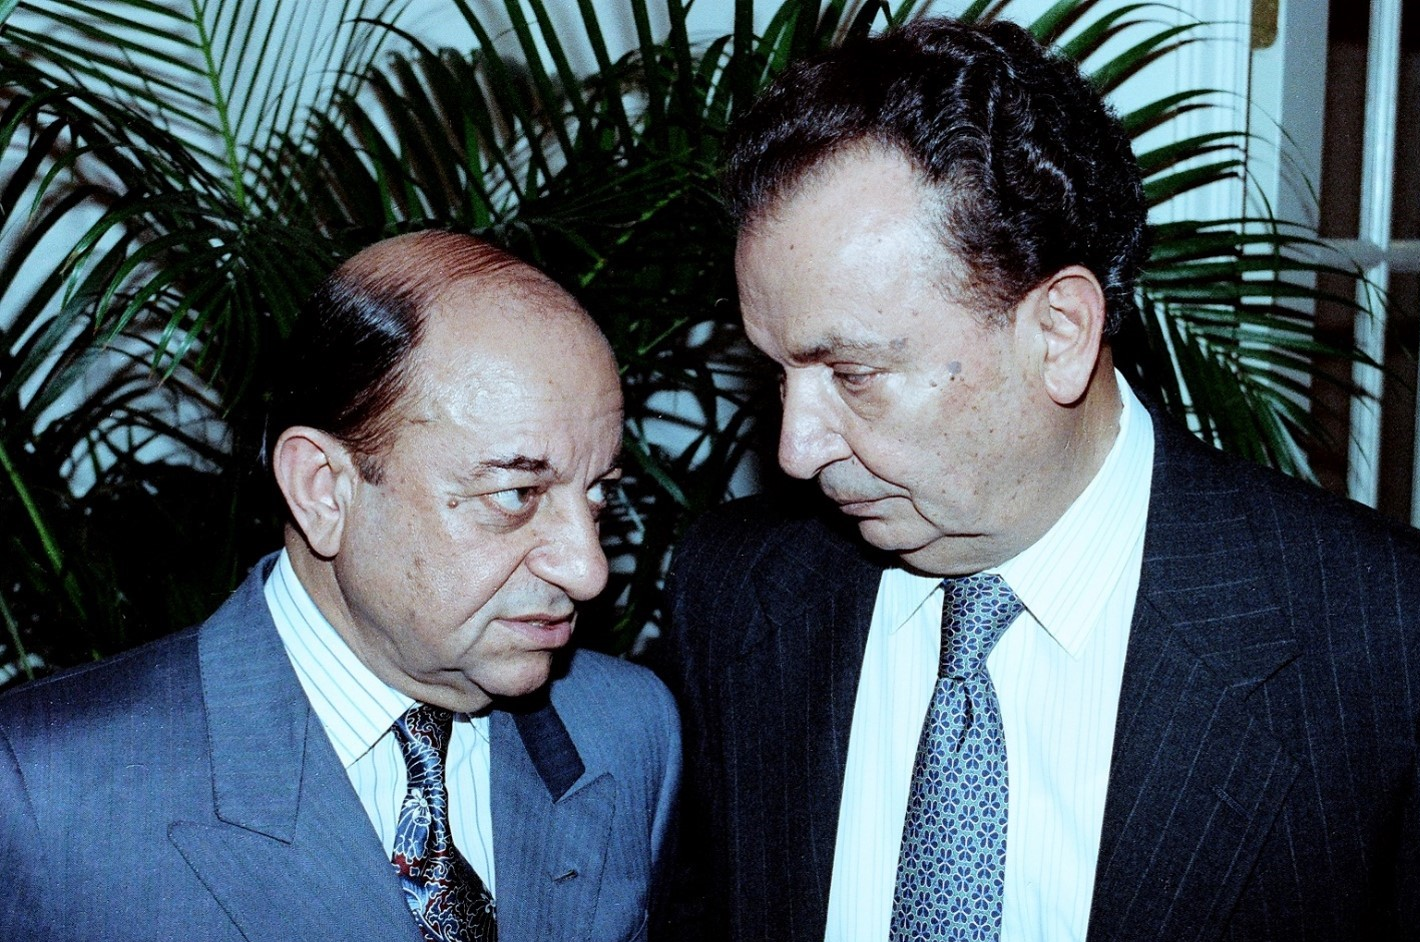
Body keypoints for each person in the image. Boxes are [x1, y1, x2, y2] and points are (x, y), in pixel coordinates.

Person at [657, 16, 1419, 942]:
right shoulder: (733, 595)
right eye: (779, 372)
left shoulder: (1379, 642)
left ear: (1058, 333)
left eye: (852, 373)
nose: (796, 449)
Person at [0, 231, 680, 942]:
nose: (588, 569)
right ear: (323, 489)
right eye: (515, 494)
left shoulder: (627, 730)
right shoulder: (45, 791)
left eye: (598, 493)